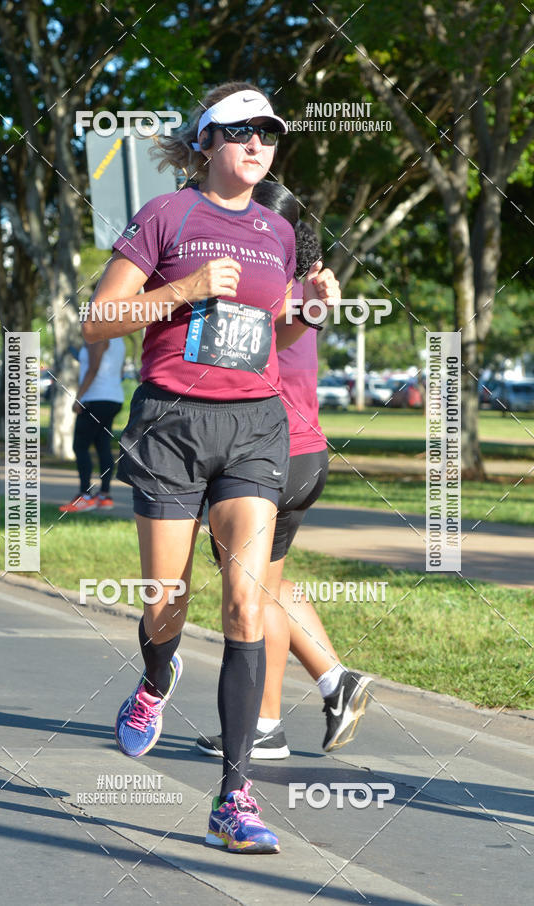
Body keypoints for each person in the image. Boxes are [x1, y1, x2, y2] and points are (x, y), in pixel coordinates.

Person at [82, 81, 339, 855]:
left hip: (255, 427)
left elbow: (273, 339)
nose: (258, 143)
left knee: (244, 607)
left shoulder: (277, 231)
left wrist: (308, 313)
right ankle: (155, 679)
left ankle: (234, 798)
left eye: (268, 132)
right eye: (241, 130)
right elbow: (98, 320)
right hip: (171, 423)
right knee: (168, 604)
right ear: (206, 143)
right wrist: (186, 289)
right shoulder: (167, 216)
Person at [196, 181, 372, 761]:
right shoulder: (299, 288)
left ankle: (276, 719)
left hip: (269, 453)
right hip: (307, 453)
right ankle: (326, 687)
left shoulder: (264, 292)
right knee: (267, 583)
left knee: (254, 591)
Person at [59, 337, 125, 513]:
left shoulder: (99, 335)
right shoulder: (119, 338)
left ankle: (85, 496)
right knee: (102, 445)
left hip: (96, 398)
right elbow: (119, 372)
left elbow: (93, 368)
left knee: (80, 446)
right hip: (113, 398)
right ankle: (104, 496)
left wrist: (79, 398)